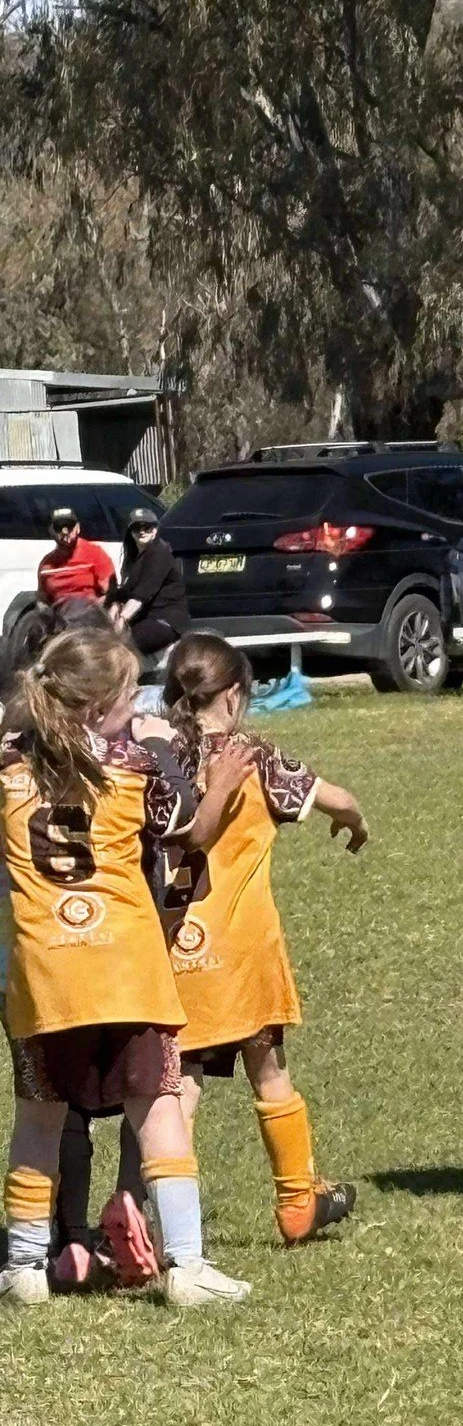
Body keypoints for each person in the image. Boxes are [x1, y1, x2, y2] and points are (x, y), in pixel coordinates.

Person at [0, 628, 249, 1306]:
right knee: (160, 1107)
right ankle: (188, 1266)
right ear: (103, 702)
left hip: (42, 971)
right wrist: (191, 762)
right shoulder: (135, 764)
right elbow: (186, 824)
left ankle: (24, 1266)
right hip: (126, 966)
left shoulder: (7, 766)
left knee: (38, 1118)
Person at [160, 633, 369, 1246]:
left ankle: (160, 1222)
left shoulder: (156, 755)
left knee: (182, 1081)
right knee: (268, 1068)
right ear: (233, 694)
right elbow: (340, 798)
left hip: (175, 942)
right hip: (243, 951)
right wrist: (353, 822)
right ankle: (297, 1199)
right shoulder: (252, 756)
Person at [107, 507, 189, 656]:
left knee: (123, 645)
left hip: (165, 619)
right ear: (130, 531)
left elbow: (141, 595)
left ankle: (126, 677)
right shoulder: (135, 557)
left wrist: (122, 620)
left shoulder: (159, 554)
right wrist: (113, 606)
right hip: (144, 619)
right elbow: (124, 593)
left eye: (147, 527)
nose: (142, 531)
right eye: (136, 528)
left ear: (155, 530)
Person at [36, 507, 115, 609]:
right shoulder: (46, 565)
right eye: (58, 527)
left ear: (78, 528)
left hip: (90, 615)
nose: (65, 532)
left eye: (69, 526)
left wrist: (96, 608)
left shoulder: (95, 554)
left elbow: (110, 593)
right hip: (59, 617)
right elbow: (42, 599)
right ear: (51, 531)